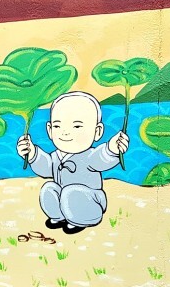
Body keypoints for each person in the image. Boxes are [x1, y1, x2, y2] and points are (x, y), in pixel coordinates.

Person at [16, 91, 129, 234]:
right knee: (49, 188)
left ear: (97, 132)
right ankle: (59, 216)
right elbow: (46, 168)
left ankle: (83, 219)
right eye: (57, 126)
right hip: (66, 199)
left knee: (72, 193)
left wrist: (112, 149)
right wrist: (32, 153)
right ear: (49, 130)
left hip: (90, 199)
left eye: (77, 126)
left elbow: (101, 158)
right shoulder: (57, 156)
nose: (65, 132)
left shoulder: (89, 156)